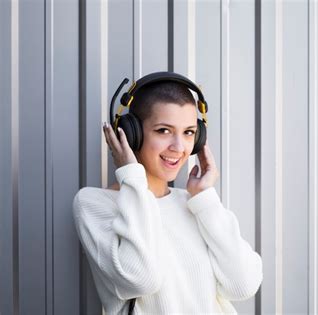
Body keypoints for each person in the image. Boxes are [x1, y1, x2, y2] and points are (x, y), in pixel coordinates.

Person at [72, 73, 263, 314]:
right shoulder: (94, 204)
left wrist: (205, 199)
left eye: (189, 132)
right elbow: (141, 278)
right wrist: (130, 175)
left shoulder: (195, 204)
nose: (179, 147)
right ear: (131, 134)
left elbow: (243, 285)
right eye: (163, 130)